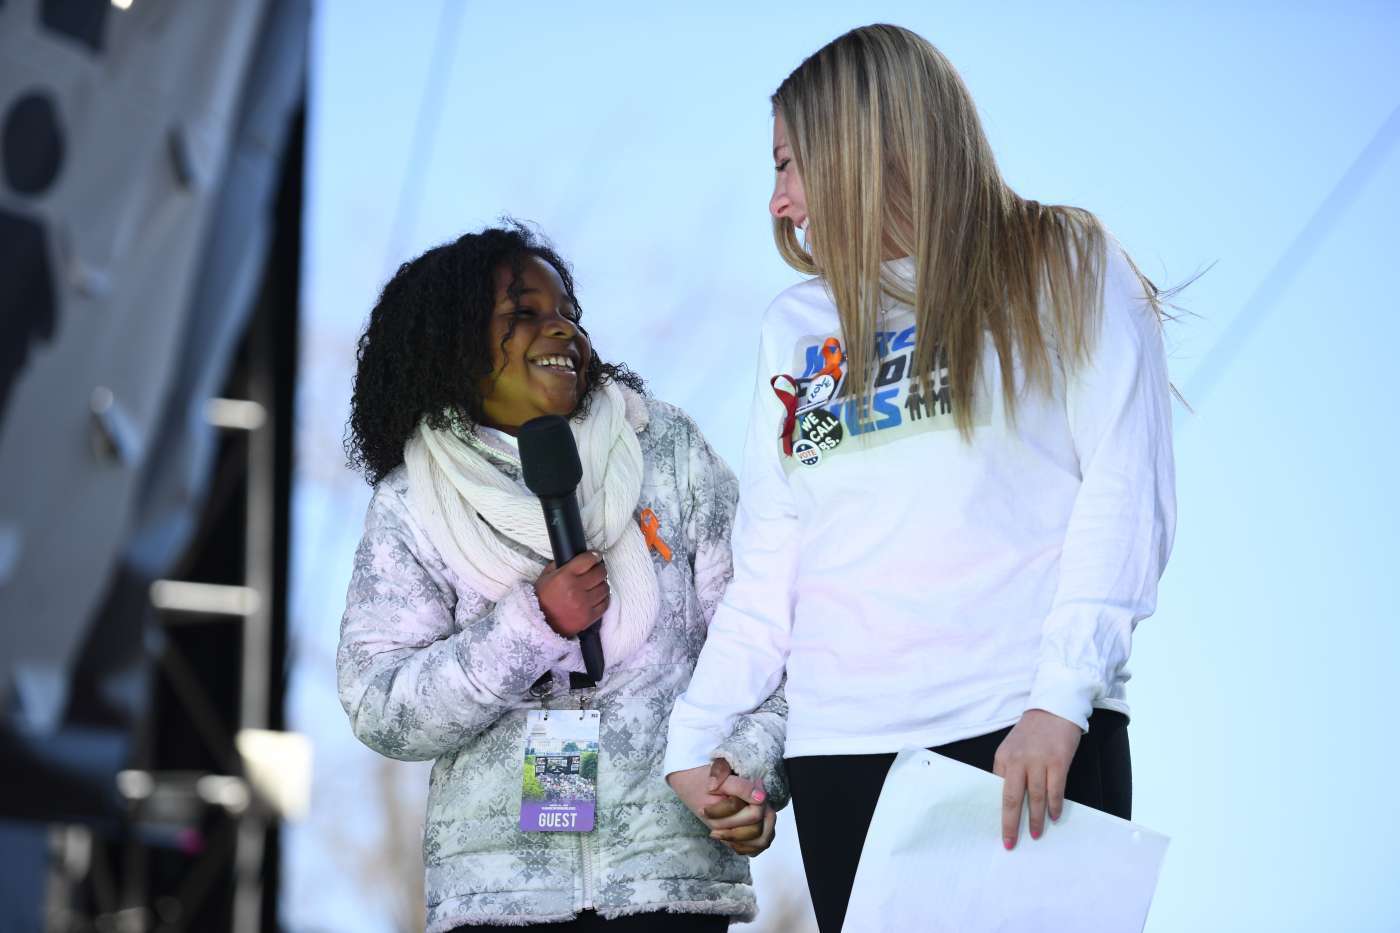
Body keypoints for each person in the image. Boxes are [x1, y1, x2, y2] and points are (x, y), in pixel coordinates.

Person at [663, 24, 1177, 933]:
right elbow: (776, 555)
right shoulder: (799, 326)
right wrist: (694, 737)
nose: (780, 203)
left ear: (866, 147)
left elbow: (1125, 493)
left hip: (1022, 731)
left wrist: (1058, 702)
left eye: (790, 164)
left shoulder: (1062, 262)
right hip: (842, 752)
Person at [338, 223, 787, 932]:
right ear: (452, 343)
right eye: (524, 312)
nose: (561, 329)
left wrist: (748, 769)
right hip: (500, 897)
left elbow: (769, 638)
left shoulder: (667, 454)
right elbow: (380, 703)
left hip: (668, 881)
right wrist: (530, 625)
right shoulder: (413, 500)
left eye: (568, 312)